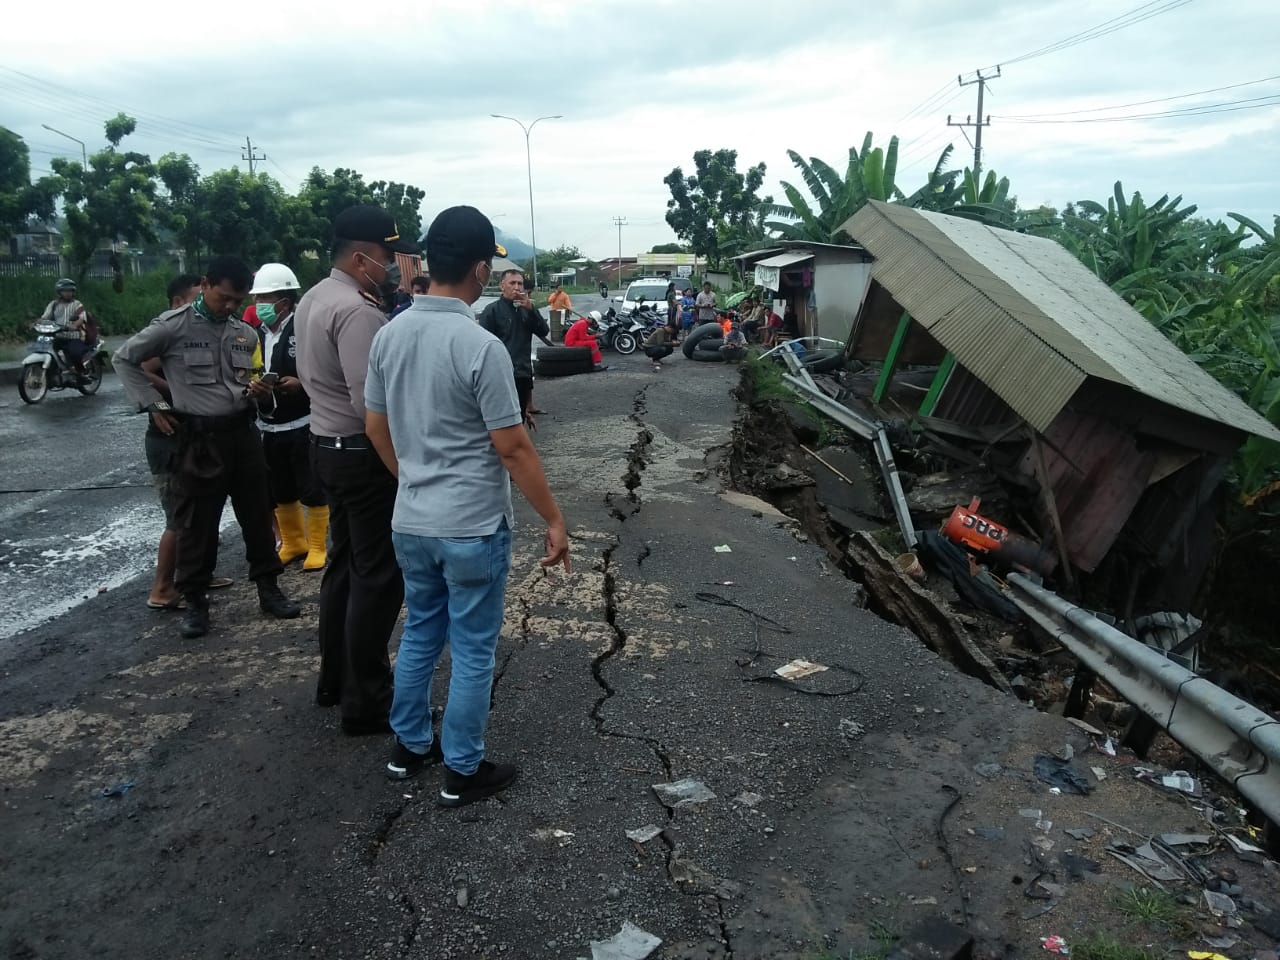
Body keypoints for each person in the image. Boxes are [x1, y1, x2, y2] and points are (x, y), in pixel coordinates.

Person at [365, 204, 570, 805]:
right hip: (473, 527)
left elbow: (375, 428)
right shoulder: (479, 346)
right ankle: (462, 767)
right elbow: (512, 446)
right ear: (482, 268)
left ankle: (408, 747)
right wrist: (554, 519)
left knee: (422, 632)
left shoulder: (389, 334)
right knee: (474, 646)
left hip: (412, 522)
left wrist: (414, 482)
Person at [113, 256, 301, 639]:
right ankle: (196, 604)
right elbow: (124, 359)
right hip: (198, 440)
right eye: (224, 298)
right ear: (206, 283)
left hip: (242, 436)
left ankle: (269, 590)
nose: (231, 307)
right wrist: (154, 403)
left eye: (237, 300)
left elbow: (249, 387)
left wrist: (260, 392)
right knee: (197, 525)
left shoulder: (243, 334)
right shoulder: (172, 328)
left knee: (258, 516)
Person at [294, 204, 417, 736]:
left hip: (326, 446)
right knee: (377, 577)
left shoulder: (315, 296)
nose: (391, 265)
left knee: (344, 570)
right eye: (388, 256)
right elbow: (375, 407)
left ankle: (334, 680)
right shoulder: (359, 312)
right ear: (363, 256)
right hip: (362, 455)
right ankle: (367, 699)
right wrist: (404, 472)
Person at [142, 274, 235, 609]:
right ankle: (163, 588)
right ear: (179, 302)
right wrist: (171, 398)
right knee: (180, 518)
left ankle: (197, 573)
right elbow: (139, 369)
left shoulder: (204, 329)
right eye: (200, 297)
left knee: (202, 511)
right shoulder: (166, 331)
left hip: (197, 437)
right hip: (170, 440)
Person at [250, 263, 329, 573]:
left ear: (284, 300)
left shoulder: (304, 328)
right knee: (279, 487)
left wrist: (302, 384)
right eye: (258, 299)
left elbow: (324, 369)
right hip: (268, 423)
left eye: (265, 299)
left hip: (302, 421)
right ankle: (294, 543)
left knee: (310, 485)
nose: (259, 306)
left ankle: (318, 545)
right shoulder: (256, 333)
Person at [478, 269, 548, 429]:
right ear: (502, 286)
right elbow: (482, 346)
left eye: (520, 283)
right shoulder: (492, 311)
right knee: (502, 422)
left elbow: (544, 331)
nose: (517, 287)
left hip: (522, 373)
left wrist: (532, 310)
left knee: (520, 419)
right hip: (501, 376)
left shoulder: (527, 310)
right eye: (512, 283)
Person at [40, 278, 94, 374]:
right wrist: (36, 323)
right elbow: (45, 317)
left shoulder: (77, 304)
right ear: (59, 292)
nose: (68, 293)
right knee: (44, 348)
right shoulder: (53, 305)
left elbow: (82, 318)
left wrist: (74, 325)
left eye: (70, 291)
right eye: (65, 291)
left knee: (75, 353)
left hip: (73, 337)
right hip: (57, 336)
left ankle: (81, 372)